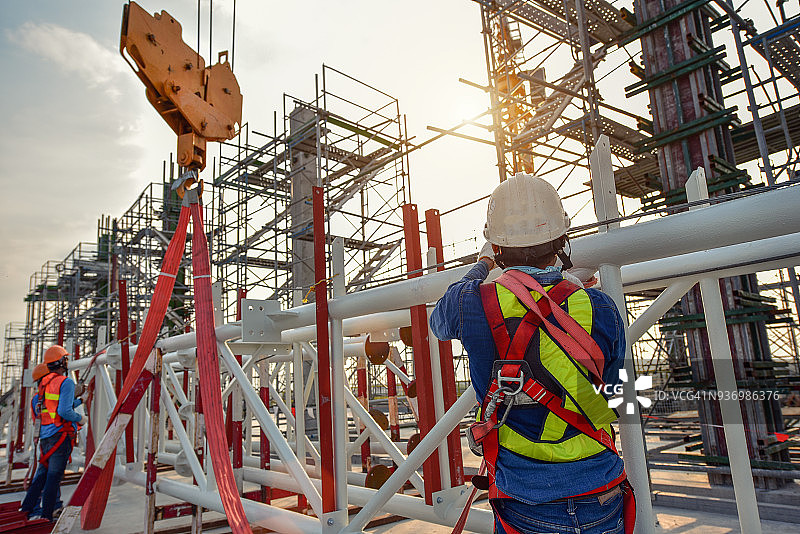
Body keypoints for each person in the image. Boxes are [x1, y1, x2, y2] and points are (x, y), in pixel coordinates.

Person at [430, 174, 631, 534]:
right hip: (600, 492)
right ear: (561, 240)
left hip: (524, 501)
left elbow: (440, 319)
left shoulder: (472, 301)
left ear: (497, 248)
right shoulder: (599, 306)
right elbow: (618, 399)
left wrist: (482, 265)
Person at [20, 345, 86, 522]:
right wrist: (80, 418)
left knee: (42, 475)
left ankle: (26, 509)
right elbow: (64, 412)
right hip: (60, 436)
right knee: (53, 478)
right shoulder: (65, 382)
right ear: (61, 362)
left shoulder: (43, 388)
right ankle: (47, 516)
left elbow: (52, 409)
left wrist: (78, 399)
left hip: (46, 439)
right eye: (65, 359)